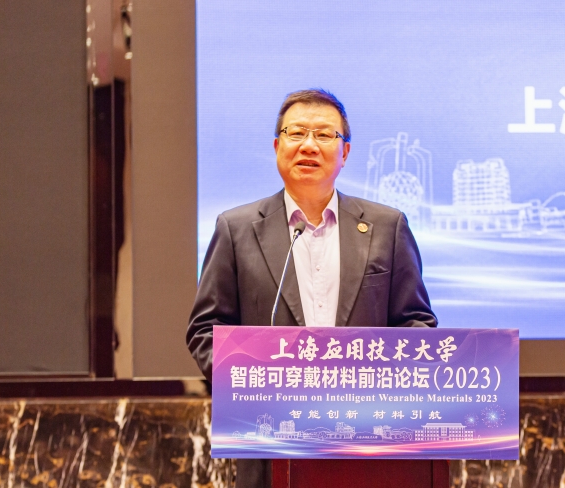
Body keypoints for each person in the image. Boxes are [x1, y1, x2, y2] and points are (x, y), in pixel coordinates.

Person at [187, 88, 437, 488]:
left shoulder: (387, 227)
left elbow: (416, 324)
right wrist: (256, 386)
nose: (309, 145)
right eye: (296, 133)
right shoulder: (236, 230)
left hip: (367, 439)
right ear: (277, 146)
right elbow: (206, 330)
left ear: (345, 152)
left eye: (324, 135)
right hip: (273, 442)